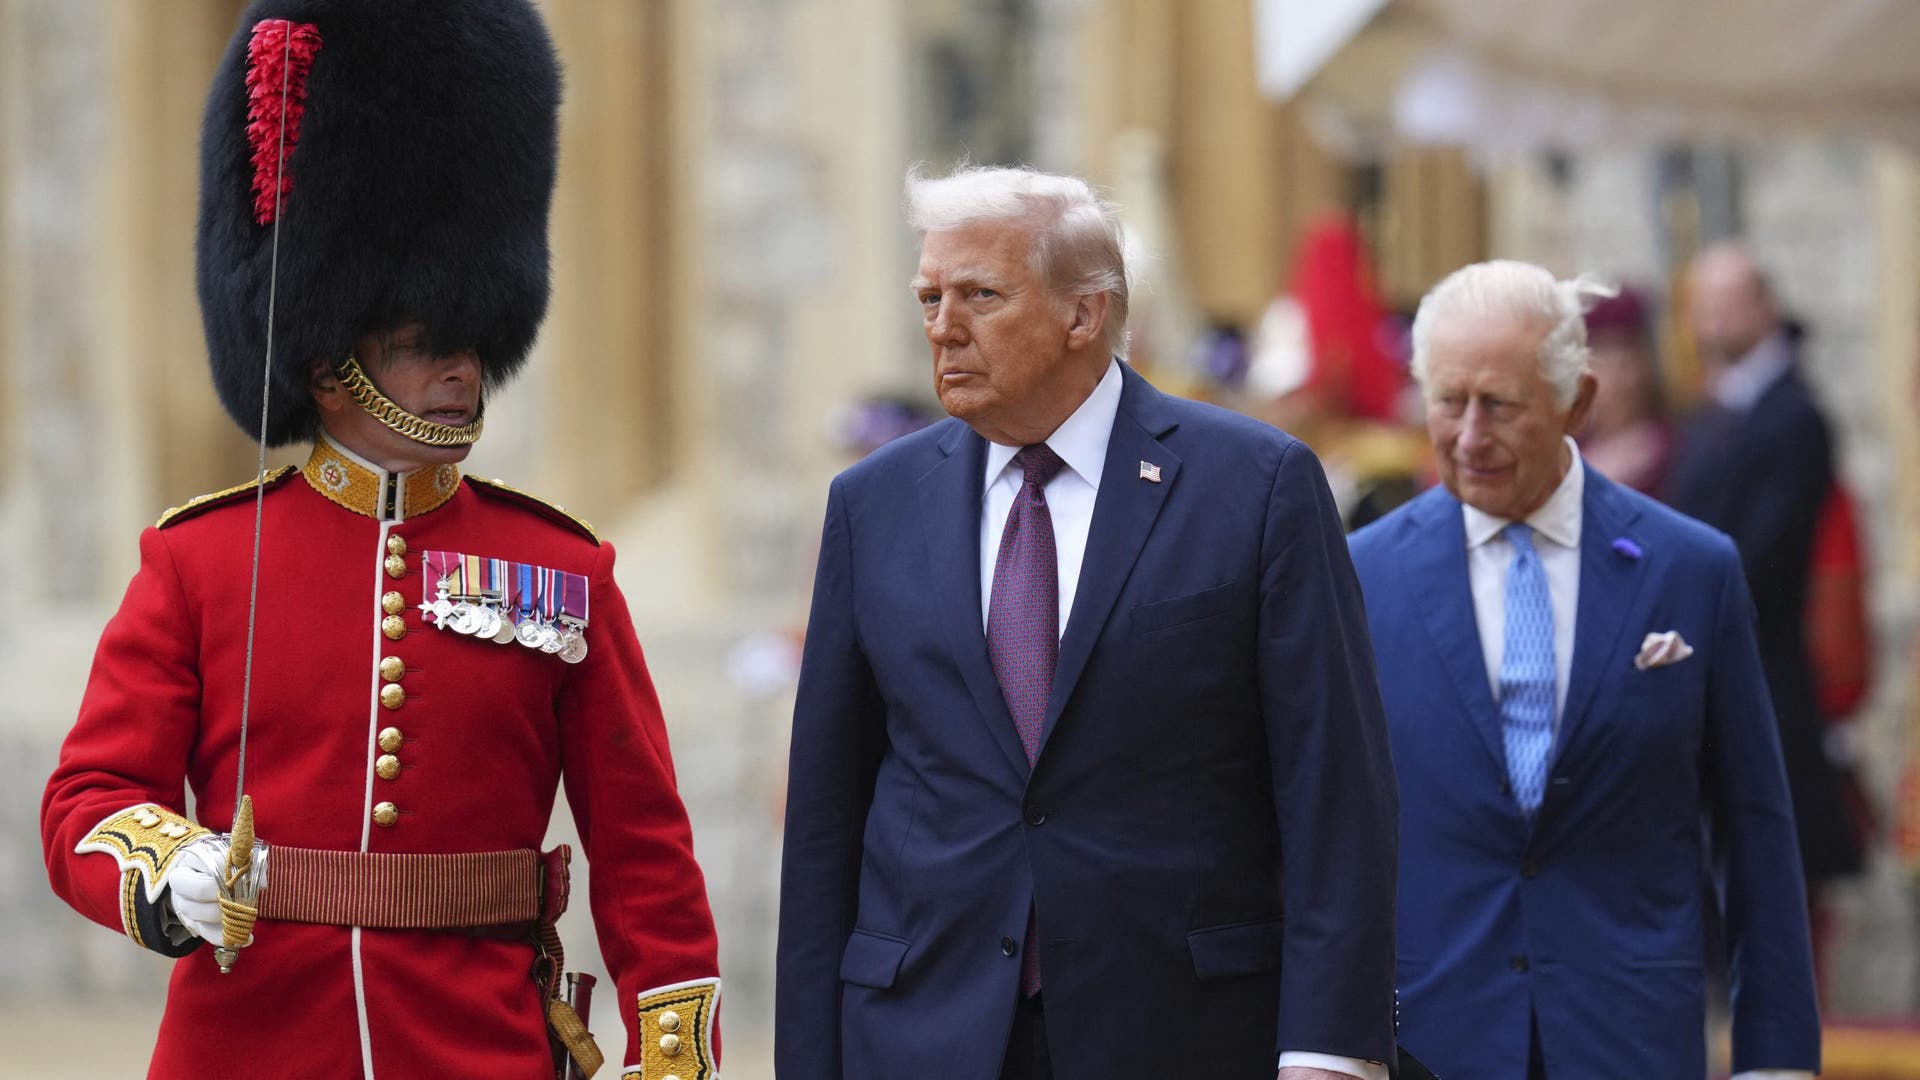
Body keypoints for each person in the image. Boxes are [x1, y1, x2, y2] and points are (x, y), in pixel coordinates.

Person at [39, 4, 719, 1077]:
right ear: (327, 366)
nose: (460, 373)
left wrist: (675, 1055)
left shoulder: (562, 570)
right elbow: (89, 797)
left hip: (479, 1041)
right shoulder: (202, 563)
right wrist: (171, 867)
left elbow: (646, 857)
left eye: (467, 346)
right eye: (418, 349)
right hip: (251, 1040)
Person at [775, 164, 1399, 1080]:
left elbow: (1333, 790)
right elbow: (828, 817)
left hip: (1182, 1031)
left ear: (1085, 313)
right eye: (930, 295)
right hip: (924, 1033)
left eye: (981, 295)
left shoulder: (1256, 487)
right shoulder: (873, 505)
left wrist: (1331, 1051)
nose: (943, 326)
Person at [1347, 260, 1820, 1079]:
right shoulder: (1358, 576)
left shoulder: (1690, 571)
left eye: (1498, 405)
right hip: (1427, 1042)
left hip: (1631, 1039)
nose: (1467, 435)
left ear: (1578, 402)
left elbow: (1756, 839)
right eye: (1448, 401)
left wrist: (1775, 1060)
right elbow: (1322, 839)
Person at [1667, 243, 1863, 893]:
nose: (1714, 325)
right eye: (1705, 308)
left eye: (1728, 306)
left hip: (1764, 667)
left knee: (1772, 871)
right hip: (1711, 661)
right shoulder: (1713, 411)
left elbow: (1764, 555)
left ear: (1764, 308)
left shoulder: (1793, 415)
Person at [1576, 286, 1672, 496]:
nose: (1617, 379)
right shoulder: (1570, 450)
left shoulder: (1674, 448)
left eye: (1623, 361)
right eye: (1601, 360)